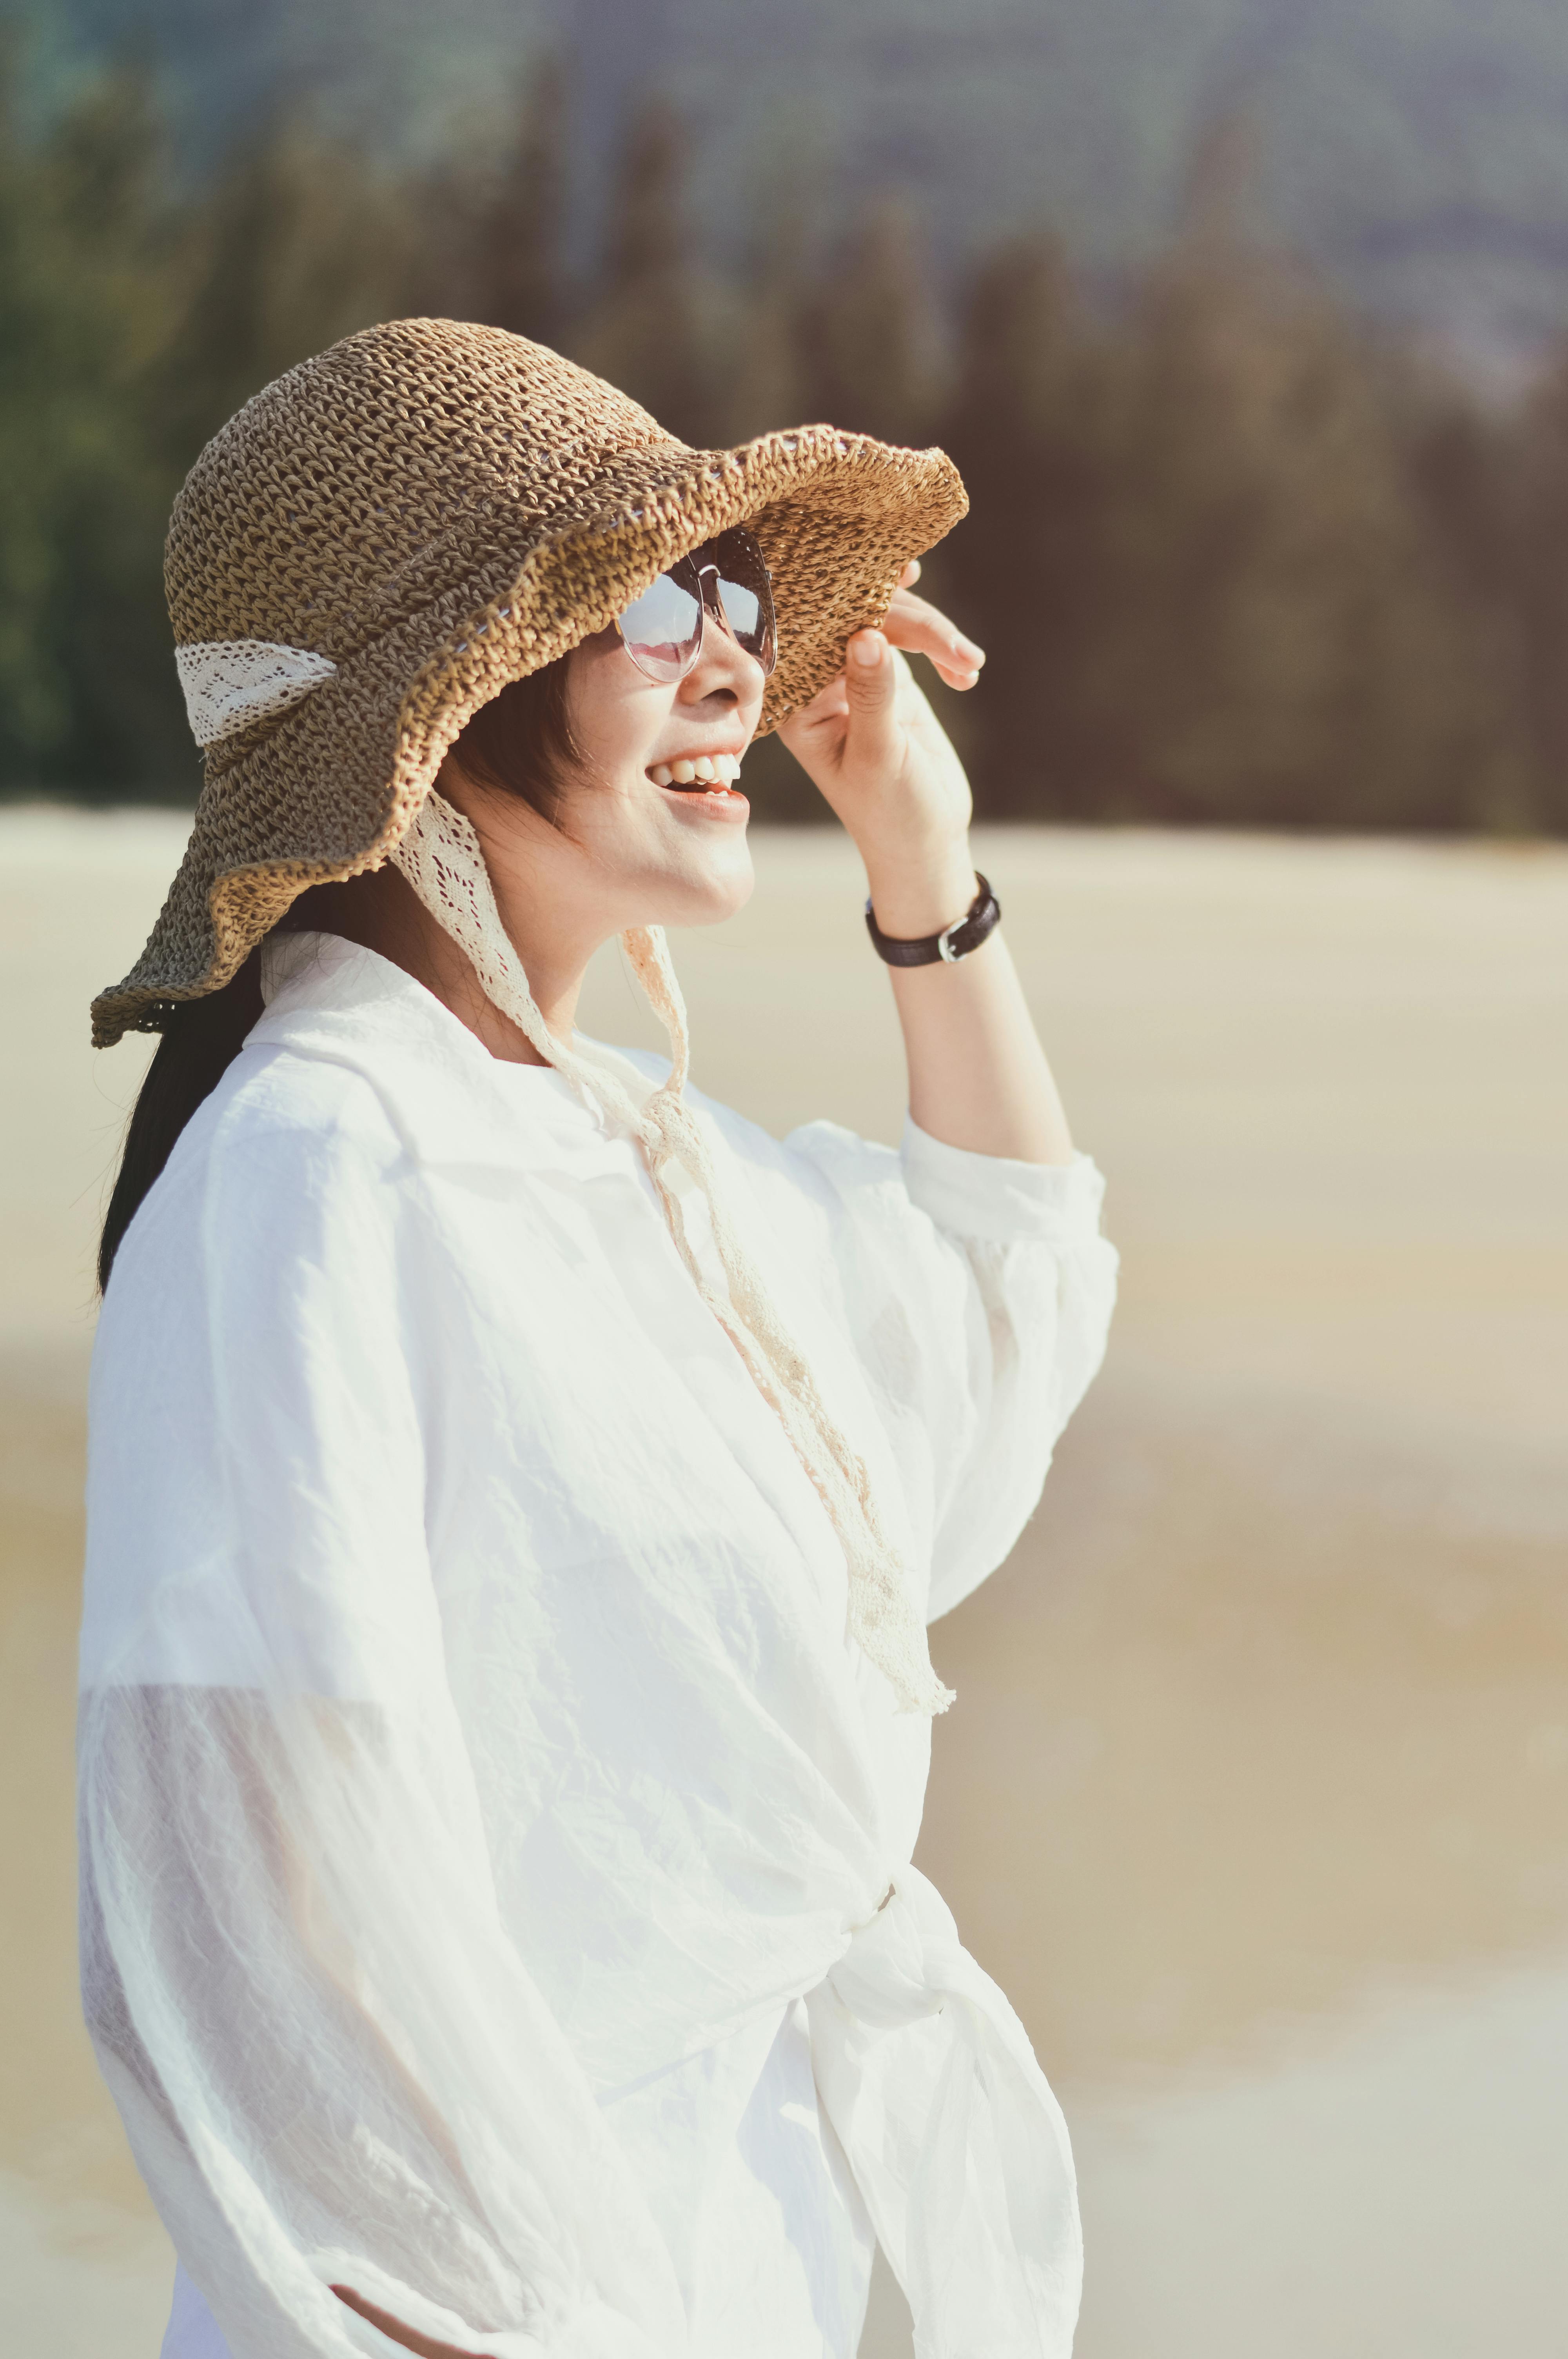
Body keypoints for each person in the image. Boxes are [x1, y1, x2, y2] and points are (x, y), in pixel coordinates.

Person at [80, 318, 1117, 2359]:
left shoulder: (628, 1151)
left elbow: (993, 1363)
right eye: (648, 597)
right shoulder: (319, 1172)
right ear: (429, 702)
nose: (735, 654)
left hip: (747, 2284)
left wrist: (926, 872)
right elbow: (268, 1948)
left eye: (738, 592)